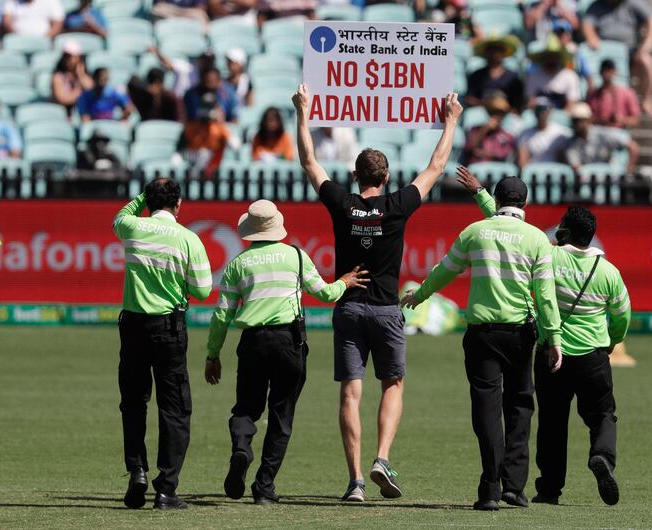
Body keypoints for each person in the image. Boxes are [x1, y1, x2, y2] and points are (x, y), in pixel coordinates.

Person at [293, 83, 462, 503]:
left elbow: (309, 161)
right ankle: (382, 458)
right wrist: (451, 120)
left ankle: (355, 482)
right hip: (387, 310)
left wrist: (303, 111)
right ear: (386, 178)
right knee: (393, 384)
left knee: (351, 392)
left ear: (355, 176)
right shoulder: (397, 205)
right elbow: (437, 165)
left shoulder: (342, 203)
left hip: (349, 307)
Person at [401, 169, 563, 511]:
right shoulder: (537, 239)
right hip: (520, 333)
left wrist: (421, 294)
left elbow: (445, 268)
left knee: (487, 409)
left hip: (481, 335)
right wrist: (553, 339)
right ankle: (514, 487)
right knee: (520, 406)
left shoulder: (475, 232)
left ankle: (489, 488)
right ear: (526, 202)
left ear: (499, 200)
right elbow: (546, 298)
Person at [206, 200, 370, 504]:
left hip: (253, 342)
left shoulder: (238, 264)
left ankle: (242, 446)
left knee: (246, 408)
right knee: (281, 416)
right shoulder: (295, 256)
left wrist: (212, 354)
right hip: (288, 343)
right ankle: (264, 486)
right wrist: (344, 283)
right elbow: (323, 292)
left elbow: (222, 315)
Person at [113, 178, 212, 510]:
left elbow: (119, 217)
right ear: (179, 204)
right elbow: (201, 290)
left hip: (133, 326)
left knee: (133, 402)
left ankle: (137, 469)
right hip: (169, 327)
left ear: (148, 202)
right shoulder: (188, 239)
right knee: (175, 408)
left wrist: (142, 195)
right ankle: (166, 489)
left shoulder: (133, 226)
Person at [531, 206, 630, 507]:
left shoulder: (550, 257)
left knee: (551, 422)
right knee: (602, 415)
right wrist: (613, 341)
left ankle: (549, 490)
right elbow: (623, 315)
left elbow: (516, 231)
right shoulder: (609, 272)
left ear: (566, 232)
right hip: (593, 357)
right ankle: (602, 455)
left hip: (551, 353)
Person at [582, 0, 652, 116]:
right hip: (604, 56)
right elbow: (587, 24)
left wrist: (646, 46)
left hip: (631, 55)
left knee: (646, 60)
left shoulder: (634, 3)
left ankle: (646, 100)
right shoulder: (596, 5)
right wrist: (591, 37)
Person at [561, 102, 639, 174]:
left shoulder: (603, 134)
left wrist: (628, 171)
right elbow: (576, 167)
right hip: (589, 183)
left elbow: (632, 146)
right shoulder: (571, 143)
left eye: (581, 120)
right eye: (575, 121)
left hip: (609, 180)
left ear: (589, 120)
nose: (578, 124)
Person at [179, 92, 241, 179]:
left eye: (209, 107)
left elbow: (235, 145)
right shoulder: (191, 126)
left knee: (205, 154)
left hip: (211, 162)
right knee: (177, 159)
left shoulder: (219, 127)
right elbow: (181, 147)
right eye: (205, 106)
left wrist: (220, 124)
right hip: (191, 156)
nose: (207, 110)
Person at [466, 35, 524, 113]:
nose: (494, 54)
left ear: (503, 53)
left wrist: (503, 109)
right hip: (482, 114)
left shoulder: (512, 77)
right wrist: (488, 104)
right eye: (491, 50)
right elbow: (469, 99)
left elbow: (518, 103)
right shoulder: (477, 75)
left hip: (506, 116)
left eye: (497, 50)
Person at [525, 34, 581, 111]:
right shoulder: (533, 76)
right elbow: (530, 102)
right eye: (548, 56)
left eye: (554, 56)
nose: (551, 60)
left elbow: (571, 105)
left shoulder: (570, 76)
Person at [587, 58, 641, 129]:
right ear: (600, 72)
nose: (607, 73)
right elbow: (587, 117)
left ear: (615, 72)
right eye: (605, 70)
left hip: (617, 132)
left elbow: (635, 119)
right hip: (597, 131)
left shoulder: (627, 93)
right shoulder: (593, 94)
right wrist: (601, 120)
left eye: (610, 70)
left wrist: (622, 120)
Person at [462, 95, 517, 165]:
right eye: (493, 112)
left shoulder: (507, 135)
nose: (496, 115)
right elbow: (470, 148)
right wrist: (484, 130)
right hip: (475, 168)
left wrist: (485, 154)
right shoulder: (475, 129)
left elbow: (504, 155)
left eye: (500, 113)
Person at [517, 97, 571, 166]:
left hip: (555, 173)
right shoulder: (525, 134)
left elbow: (563, 160)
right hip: (533, 173)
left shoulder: (561, 132)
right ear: (534, 111)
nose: (542, 113)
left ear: (550, 111)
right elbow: (522, 162)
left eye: (545, 109)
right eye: (538, 109)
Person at [51, 40, 94, 117]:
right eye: (66, 56)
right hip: (65, 115)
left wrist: (81, 75)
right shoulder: (57, 77)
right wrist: (80, 92)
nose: (69, 60)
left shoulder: (84, 75)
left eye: (71, 56)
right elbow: (62, 99)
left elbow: (91, 90)